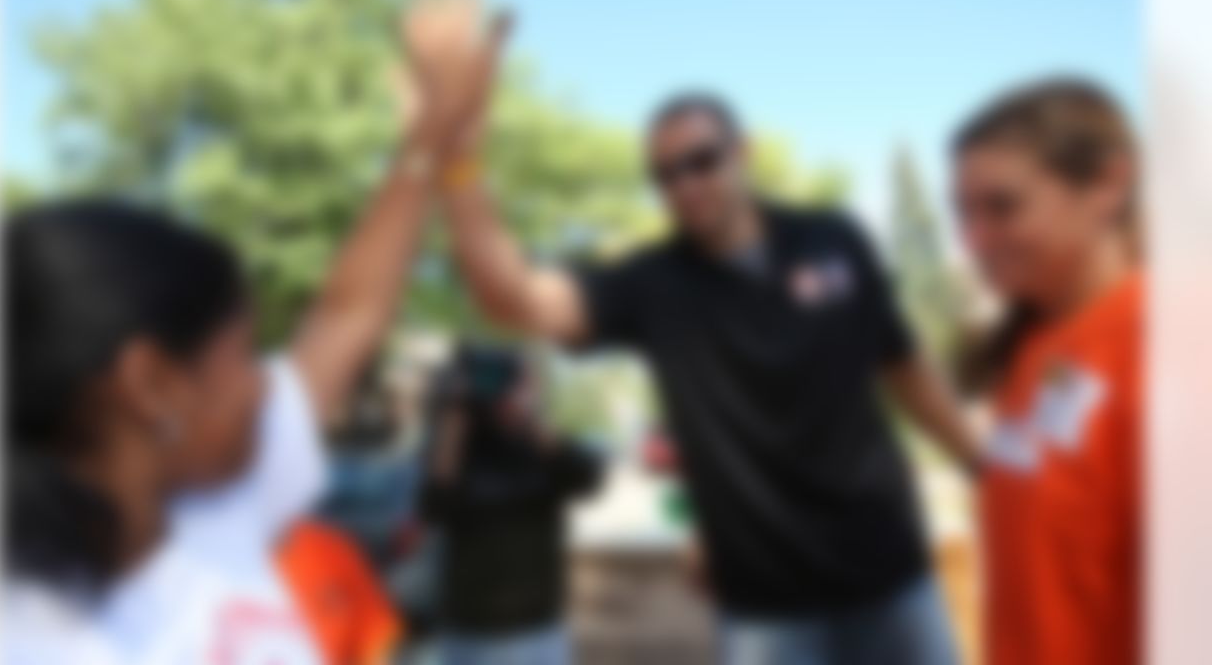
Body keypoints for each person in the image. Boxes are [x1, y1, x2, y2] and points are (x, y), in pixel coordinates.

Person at [1, 0, 508, 663]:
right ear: (150, 384)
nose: (268, 385)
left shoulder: (215, 503)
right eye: (243, 357)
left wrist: (430, 135)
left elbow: (346, 317)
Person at [437, 90, 978, 664]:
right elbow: (511, 297)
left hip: (892, 576)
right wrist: (458, 154)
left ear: (742, 152)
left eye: (702, 161)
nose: (685, 185)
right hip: (768, 611)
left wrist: (980, 464)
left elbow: (903, 363)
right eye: (665, 175)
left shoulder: (832, 237)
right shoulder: (653, 285)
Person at [951, 79, 1142, 665]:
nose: (974, 240)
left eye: (1003, 207)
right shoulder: (1036, 340)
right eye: (963, 213)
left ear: (1108, 185)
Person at [420, 344, 603, 665]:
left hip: (537, 626)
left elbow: (588, 479)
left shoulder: (538, 445)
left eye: (505, 379)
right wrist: (453, 419)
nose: (495, 390)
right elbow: (432, 507)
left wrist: (530, 421)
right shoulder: (454, 447)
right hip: (470, 628)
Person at [278, 519, 402, 665]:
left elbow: (338, 611)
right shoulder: (296, 553)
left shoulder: (307, 551)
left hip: (372, 636)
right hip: (367, 636)